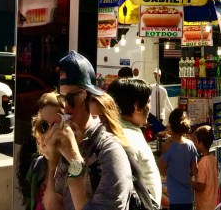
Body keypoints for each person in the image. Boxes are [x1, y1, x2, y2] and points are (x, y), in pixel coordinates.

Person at [44, 51, 132, 210]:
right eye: (63, 99)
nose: (66, 108)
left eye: (72, 98)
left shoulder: (110, 152)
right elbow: (53, 205)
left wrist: (75, 160)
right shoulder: (69, 146)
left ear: (88, 97)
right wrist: (52, 163)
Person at [107, 78, 161, 207]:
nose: (150, 107)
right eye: (148, 102)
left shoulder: (124, 131)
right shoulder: (126, 138)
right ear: (137, 106)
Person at [159, 108, 198, 210]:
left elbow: (161, 169)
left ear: (171, 126)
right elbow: (195, 171)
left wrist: (164, 151)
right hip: (187, 198)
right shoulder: (190, 145)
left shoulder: (169, 146)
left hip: (173, 199)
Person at [192, 125, 219, 210]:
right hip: (213, 203)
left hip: (204, 205)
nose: (194, 144)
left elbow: (201, 186)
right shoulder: (213, 159)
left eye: (196, 141)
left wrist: (190, 182)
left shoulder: (203, 162)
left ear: (201, 143)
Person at [150, 69, 172, 134]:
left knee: (154, 132)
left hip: (152, 115)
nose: (155, 76)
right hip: (160, 115)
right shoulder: (163, 90)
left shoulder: (151, 87)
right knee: (158, 132)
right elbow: (168, 105)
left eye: (155, 75)